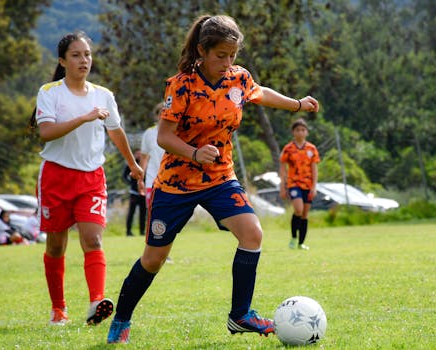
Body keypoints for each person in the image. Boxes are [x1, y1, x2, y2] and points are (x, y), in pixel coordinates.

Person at [107, 15, 319, 344]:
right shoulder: (180, 85)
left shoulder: (238, 79)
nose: (227, 63)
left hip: (220, 178)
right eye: (221, 55)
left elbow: (259, 92)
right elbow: (164, 136)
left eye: (232, 56)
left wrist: (297, 105)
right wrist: (193, 153)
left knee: (252, 233)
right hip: (176, 184)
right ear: (203, 51)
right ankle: (121, 319)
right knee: (153, 259)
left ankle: (240, 316)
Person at [30, 31, 144, 326]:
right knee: (56, 246)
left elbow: (115, 131)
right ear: (62, 61)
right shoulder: (50, 92)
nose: (84, 60)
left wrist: (133, 164)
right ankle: (59, 309)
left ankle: (96, 303)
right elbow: (46, 132)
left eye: (87, 55)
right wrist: (84, 117)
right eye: (76, 55)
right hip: (55, 175)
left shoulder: (104, 95)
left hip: (92, 177)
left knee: (93, 240)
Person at [139, 102, 173, 263]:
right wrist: (140, 177)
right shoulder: (149, 134)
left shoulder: (176, 131)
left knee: (170, 218)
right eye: (161, 113)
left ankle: (164, 252)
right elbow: (144, 158)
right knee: (154, 217)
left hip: (172, 181)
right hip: (152, 181)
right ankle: (151, 252)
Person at [279, 118, 320, 250]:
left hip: (308, 185)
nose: (300, 132)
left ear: (307, 132)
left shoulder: (311, 149)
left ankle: (301, 243)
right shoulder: (288, 149)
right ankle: (293, 238)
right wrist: (283, 187)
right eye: (298, 130)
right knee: (298, 209)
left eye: (303, 130)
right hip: (294, 184)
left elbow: (314, 169)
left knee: (304, 214)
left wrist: (314, 187)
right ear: (293, 132)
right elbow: (283, 168)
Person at [123, 149, 146, 236]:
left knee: (143, 213)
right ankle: (128, 231)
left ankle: (142, 231)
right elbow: (124, 176)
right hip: (134, 192)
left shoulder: (144, 164)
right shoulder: (131, 164)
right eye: (137, 153)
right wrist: (131, 183)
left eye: (140, 153)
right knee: (131, 212)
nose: (139, 155)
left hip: (143, 193)